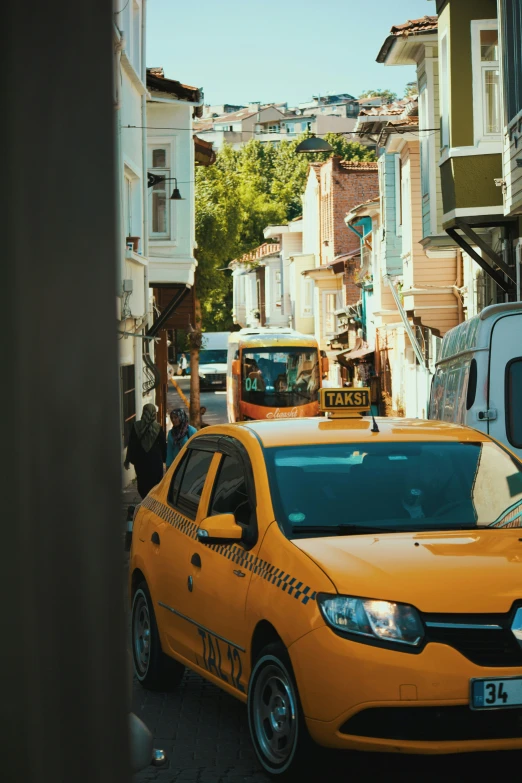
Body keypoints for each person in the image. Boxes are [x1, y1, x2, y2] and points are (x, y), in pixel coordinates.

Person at [124, 403, 166, 499]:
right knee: (155, 485)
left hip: (140, 461)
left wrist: (128, 459)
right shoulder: (158, 427)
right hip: (155, 461)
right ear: (153, 413)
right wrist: (164, 458)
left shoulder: (136, 426)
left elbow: (131, 444)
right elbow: (163, 445)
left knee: (142, 484)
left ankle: (145, 501)